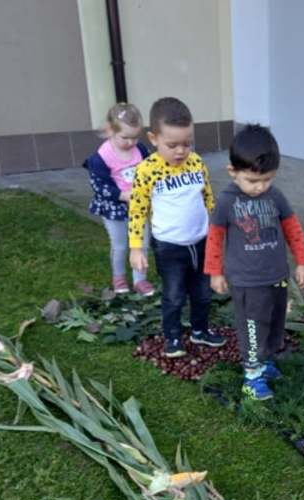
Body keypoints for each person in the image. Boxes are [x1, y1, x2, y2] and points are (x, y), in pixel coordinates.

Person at [205, 124, 304, 401]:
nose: (261, 187)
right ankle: (252, 376)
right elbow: (215, 238)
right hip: (246, 281)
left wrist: (302, 261)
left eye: (268, 179)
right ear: (233, 172)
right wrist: (215, 272)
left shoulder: (276, 197)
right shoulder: (227, 201)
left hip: (277, 276)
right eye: (253, 180)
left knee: (275, 323)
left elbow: (293, 229)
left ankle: (265, 362)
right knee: (253, 327)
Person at [128, 97, 225, 358]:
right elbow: (137, 211)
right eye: (172, 145)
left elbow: (208, 197)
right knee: (174, 295)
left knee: (203, 293)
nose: (181, 151)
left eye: (187, 143)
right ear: (153, 138)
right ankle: (172, 336)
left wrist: (219, 226)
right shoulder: (146, 171)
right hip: (169, 248)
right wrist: (136, 248)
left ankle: (199, 330)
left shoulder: (196, 163)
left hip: (201, 243)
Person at [83, 103, 153, 296]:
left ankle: (140, 280)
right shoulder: (101, 157)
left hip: (139, 207)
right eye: (125, 137)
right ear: (110, 131)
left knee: (142, 244)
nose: (131, 142)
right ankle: (119, 277)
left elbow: (150, 170)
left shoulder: (140, 150)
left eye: (135, 137)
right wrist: (122, 195)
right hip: (114, 208)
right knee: (120, 245)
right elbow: (99, 186)